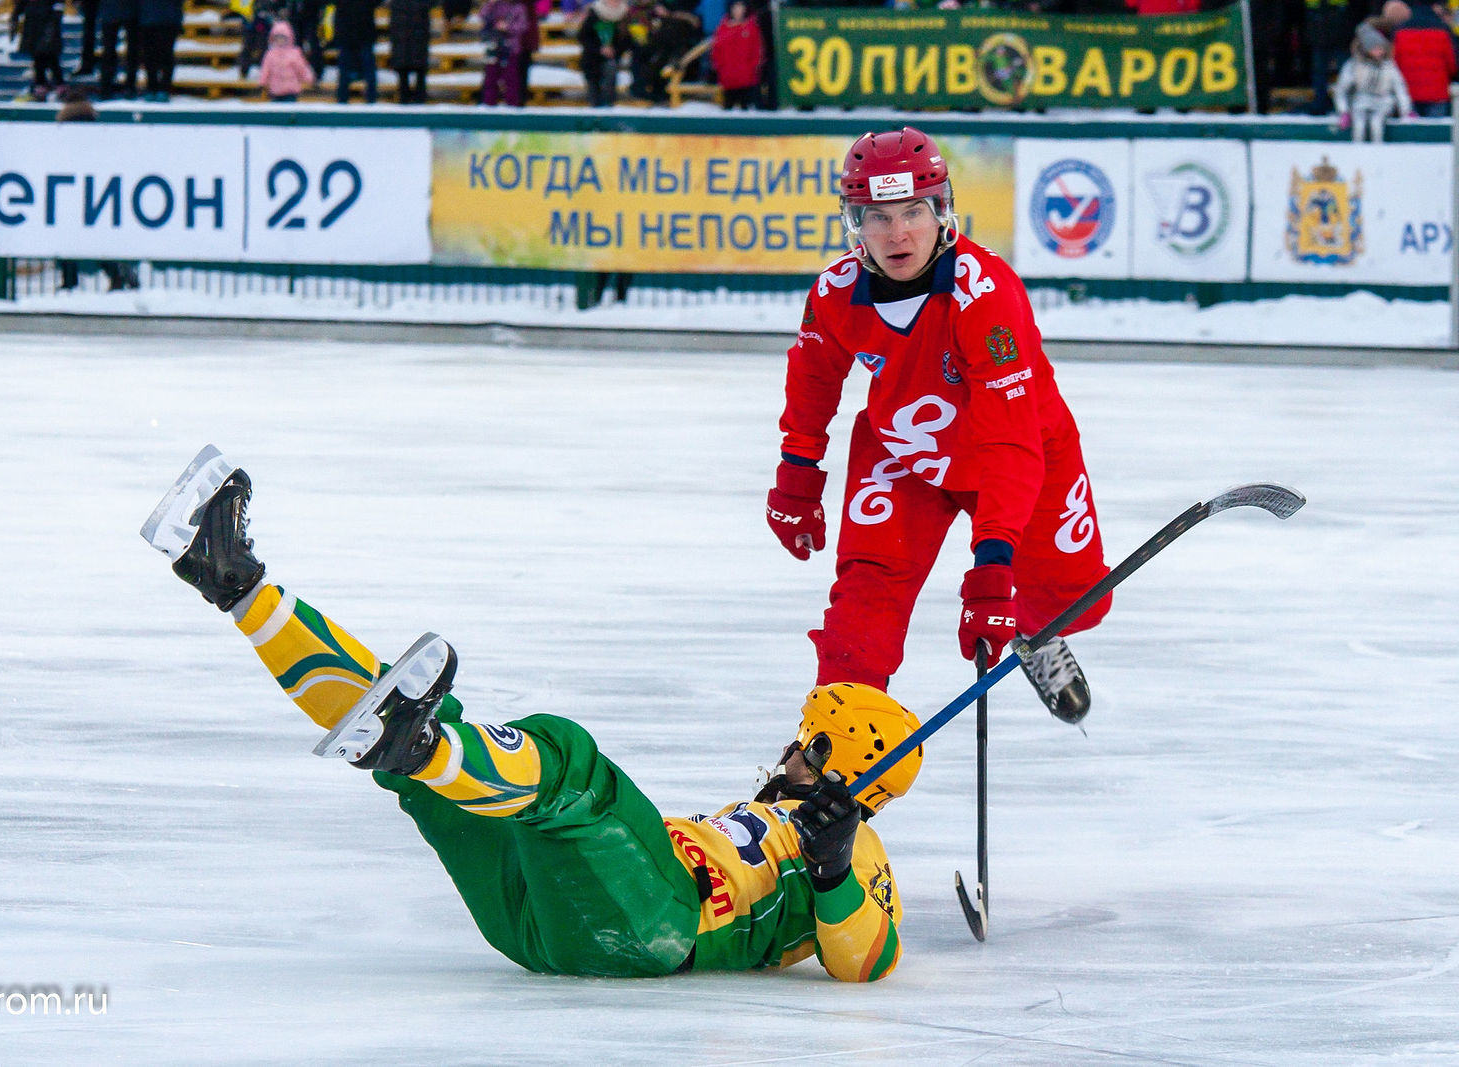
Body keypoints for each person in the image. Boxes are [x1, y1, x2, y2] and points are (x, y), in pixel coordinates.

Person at [140, 445, 920, 981]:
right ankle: (235, 583)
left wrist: (832, 870)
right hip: (547, 910)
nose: (787, 752)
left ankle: (419, 746)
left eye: (805, 744)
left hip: (659, 926)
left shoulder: (859, 848)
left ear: (837, 758)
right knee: (434, 735)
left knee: (569, 764)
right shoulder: (769, 812)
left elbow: (870, 958)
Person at [765, 127, 1110, 725]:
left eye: (912, 212)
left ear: (941, 210)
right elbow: (813, 377)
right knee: (859, 619)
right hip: (905, 456)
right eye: (877, 216)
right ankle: (829, 750)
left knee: (1077, 599)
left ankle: (1034, 630)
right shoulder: (836, 291)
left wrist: (994, 566)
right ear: (854, 222)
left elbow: (1009, 439)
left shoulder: (986, 294)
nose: (897, 233)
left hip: (1020, 452)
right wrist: (797, 473)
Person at [53, 87, 142, 291]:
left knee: (67, 233)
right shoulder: (96, 128)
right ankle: (118, 274)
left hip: (70, 190)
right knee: (98, 237)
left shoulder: (64, 131)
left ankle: (70, 280)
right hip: (98, 190)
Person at [1334, 23, 1411, 139]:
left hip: (1383, 102)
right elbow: (1341, 89)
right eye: (1374, 48)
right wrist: (1344, 111)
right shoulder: (1354, 65)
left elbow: (1399, 88)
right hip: (1361, 101)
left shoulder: (1389, 66)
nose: (1379, 51)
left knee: (1376, 124)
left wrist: (1405, 110)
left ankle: (1377, 149)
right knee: (1359, 126)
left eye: (1381, 48)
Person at [1392, 1, 1458, 116]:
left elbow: (1395, 62)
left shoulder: (1400, 30)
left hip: (1408, 92)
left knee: (1411, 126)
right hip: (1437, 92)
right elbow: (1452, 64)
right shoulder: (1443, 29)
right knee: (1436, 127)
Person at [576, 0, 630, 107]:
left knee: (610, 71)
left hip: (612, 56)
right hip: (592, 56)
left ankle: (608, 104)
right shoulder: (595, 12)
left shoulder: (625, 14)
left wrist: (614, 50)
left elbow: (626, 39)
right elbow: (583, 37)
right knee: (593, 81)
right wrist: (600, 49)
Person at [709, 0, 760, 109]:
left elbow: (757, 51)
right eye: (735, 8)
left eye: (740, 7)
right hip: (728, 78)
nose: (738, 11)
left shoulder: (751, 27)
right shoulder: (722, 28)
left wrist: (752, 68)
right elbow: (716, 51)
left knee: (746, 109)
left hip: (746, 78)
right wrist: (720, 68)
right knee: (727, 108)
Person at [478, 0, 529, 104]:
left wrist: (508, 27)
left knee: (511, 77)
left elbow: (523, 25)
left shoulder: (518, 7)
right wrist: (490, 4)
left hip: (511, 48)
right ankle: (489, 103)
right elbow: (482, 16)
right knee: (491, 76)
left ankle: (511, 104)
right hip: (494, 46)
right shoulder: (495, 5)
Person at [14, 0, 66, 100]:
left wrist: (56, 15)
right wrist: (16, 14)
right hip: (32, 19)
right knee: (37, 54)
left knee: (50, 54)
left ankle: (59, 84)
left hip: (48, 19)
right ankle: (41, 84)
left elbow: (59, 5)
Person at [333, 0, 380, 103]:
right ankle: (371, 98)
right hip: (364, 32)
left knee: (345, 68)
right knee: (368, 68)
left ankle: (342, 98)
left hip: (347, 32)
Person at [386, 0, 431, 102]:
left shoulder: (396, 3)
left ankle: (405, 98)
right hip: (417, 38)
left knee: (404, 73)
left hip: (402, 39)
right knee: (419, 72)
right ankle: (419, 98)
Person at [256, 18, 313, 98]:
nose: (280, 40)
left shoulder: (294, 53)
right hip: (275, 91)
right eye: (277, 38)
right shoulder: (270, 54)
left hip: (291, 91)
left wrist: (308, 77)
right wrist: (262, 81)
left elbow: (301, 67)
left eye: (282, 38)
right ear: (273, 39)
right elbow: (265, 69)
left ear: (289, 38)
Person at [137, 0, 181, 101]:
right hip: (147, 19)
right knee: (149, 56)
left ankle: (164, 88)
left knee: (166, 55)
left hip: (168, 20)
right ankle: (152, 87)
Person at [97, 0, 141, 99]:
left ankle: (129, 86)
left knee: (131, 51)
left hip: (130, 10)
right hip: (111, 10)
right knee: (109, 50)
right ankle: (106, 86)